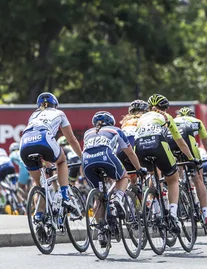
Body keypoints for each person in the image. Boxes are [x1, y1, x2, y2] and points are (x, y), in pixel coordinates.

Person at [135, 94, 197, 234]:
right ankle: (173, 216)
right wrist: (191, 158)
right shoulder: (166, 117)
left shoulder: (142, 118)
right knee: (173, 179)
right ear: (165, 109)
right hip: (157, 144)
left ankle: (156, 212)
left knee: (153, 175)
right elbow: (180, 142)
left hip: (139, 147)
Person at [82, 111, 146, 246]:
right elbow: (130, 153)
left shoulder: (88, 133)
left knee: (99, 195)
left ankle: (101, 231)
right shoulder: (116, 130)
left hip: (87, 162)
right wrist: (139, 169)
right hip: (106, 157)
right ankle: (116, 199)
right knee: (123, 177)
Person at [20, 92, 83, 220]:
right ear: (55, 105)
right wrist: (82, 158)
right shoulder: (59, 113)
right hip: (44, 138)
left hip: (24, 142)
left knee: (39, 185)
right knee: (62, 160)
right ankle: (65, 196)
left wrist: (48, 165)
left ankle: (38, 215)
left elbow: (35, 142)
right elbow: (72, 140)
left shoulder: (33, 115)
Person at [167, 107, 207, 232]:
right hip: (187, 142)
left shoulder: (173, 120)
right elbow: (205, 142)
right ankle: (206, 218)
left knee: (175, 176)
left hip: (170, 141)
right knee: (198, 179)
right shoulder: (197, 121)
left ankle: (181, 186)